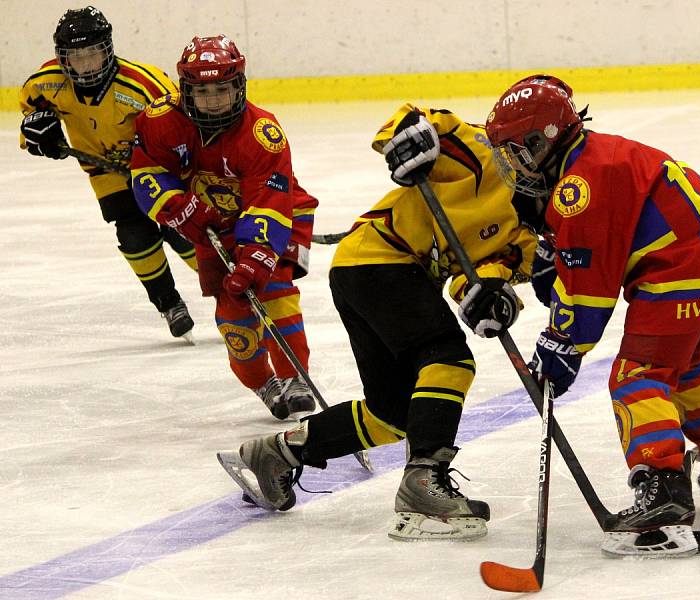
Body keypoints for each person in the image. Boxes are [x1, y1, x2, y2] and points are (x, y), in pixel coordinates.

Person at [220, 103, 540, 541]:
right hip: (377, 257)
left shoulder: (526, 238)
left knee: (393, 414)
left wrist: (490, 303)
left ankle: (277, 453)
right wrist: (410, 139)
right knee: (448, 361)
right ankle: (423, 484)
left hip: (373, 273)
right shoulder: (482, 149)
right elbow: (411, 119)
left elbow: (478, 283)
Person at [485, 74, 700, 553]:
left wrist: (561, 344)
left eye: (517, 150)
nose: (511, 163)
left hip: (681, 273)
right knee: (686, 364)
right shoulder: (591, 156)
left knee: (637, 376)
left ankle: (664, 495)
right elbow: (592, 253)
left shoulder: (579, 185)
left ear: (544, 140)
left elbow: (590, 299)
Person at [130, 35, 318, 420]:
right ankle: (262, 381)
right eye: (203, 91)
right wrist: (180, 209)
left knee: (274, 287)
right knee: (234, 316)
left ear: (239, 87)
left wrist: (255, 259)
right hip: (210, 224)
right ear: (186, 91)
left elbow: (269, 201)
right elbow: (145, 173)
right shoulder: (160, 122)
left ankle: (294, 376)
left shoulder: (262, 133)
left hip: (278, 216)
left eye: (222, 89)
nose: (213, 99)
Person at [19, 6, 196, 341]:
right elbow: (31, 110)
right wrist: (39, 136)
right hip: (106, 173)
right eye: (76, 56)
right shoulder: (47, 82)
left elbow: (184, 128)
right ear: (62, 58)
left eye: (92, 54)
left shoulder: (144, 84)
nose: (85, 65)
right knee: (133, 236)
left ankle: (224, 287)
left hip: (160, 171)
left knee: (181, 228)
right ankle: (168, 302)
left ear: (108, 51)